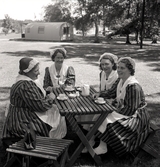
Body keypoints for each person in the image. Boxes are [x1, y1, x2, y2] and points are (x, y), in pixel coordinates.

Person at [93, 57, 150, 156]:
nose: (119, 70)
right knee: (100, 116)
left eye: (122, 68)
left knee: (106, 120)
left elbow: (131, 110)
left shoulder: (133, 86)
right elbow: (111, 92)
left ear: (130, 70)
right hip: (125, 111)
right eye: (118, 67)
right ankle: (98, 143)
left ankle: (104, 147)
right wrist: (100, 94)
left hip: (136, 118)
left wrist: (112, 110)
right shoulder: (120, 79)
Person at [2, 57, 67, 145]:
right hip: (22, 121)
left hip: (20, 115)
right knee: (56, 117)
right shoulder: (25, 85)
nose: (39, 73)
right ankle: (49, 147)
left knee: (57, 113)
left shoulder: (24, 80)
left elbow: (35, 99)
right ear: (27, 71)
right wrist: (51, 98)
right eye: (36, 71)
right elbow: (41, 106)